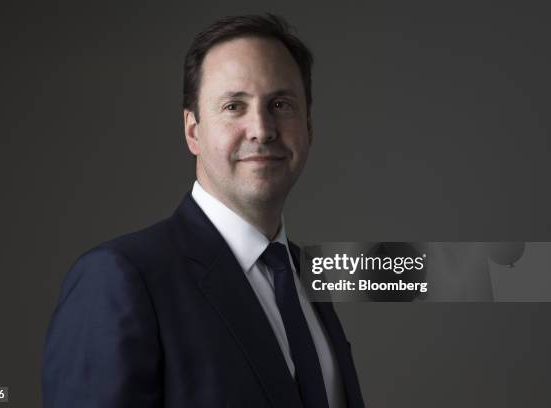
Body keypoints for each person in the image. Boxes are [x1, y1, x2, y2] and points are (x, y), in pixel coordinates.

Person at [41, 13, 365, 408]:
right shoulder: (120, 278)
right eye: (234, 106)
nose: (262, 129)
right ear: (193, 130)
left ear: (309, 128)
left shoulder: (308, 280)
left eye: (281, 104)